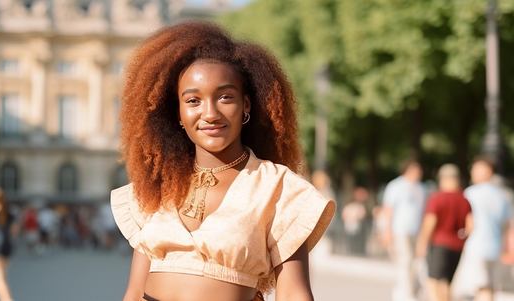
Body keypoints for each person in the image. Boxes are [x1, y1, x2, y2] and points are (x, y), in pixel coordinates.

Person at [110, 22, 335, 301]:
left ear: (246, 106)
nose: (210, 113)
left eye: (225, 97)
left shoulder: (278, 189)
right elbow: (133, 292)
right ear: (178, 112)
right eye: (193, 100)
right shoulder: (157, 186)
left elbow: (293, 293)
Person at [457, 157, 513, 301]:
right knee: (490, 286)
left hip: (476, 246)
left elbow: (468, 222)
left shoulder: (470, 193)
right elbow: (508, 225)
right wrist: (507, 247)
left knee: (482, 287)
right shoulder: (503, 195)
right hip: (496, 247)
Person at [415, 164, 473, 301]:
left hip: (439, 244)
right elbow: (470, 226)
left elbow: (430, 222)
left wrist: (422, 242)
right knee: (446, 282)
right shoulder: (464, 200)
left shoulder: (437, 198)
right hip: (457, 246)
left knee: (434, 281)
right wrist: (462, 239)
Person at [382, 160, 426, 301]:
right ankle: (405, 293)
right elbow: (388, 210)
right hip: (400, 230)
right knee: (405, 261)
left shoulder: (421, 188)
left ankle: (408, 290)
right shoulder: (396, 186)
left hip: (416, 231)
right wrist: (387, 231)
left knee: (415, 263)